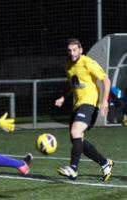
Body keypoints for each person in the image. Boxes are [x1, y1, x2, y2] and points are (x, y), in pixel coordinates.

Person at [54, 39, 113, 181]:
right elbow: (71, 84)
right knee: (77, 140)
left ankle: (73, 169)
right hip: (78, 106)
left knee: (76, 132)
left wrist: (104, 100)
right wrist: (63, 97)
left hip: (90, 104)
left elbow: (106, 80)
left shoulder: (88, 62)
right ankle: (105, 163)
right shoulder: (68, 65)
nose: (72, 53)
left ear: (81, 49)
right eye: (69, 50)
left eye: (75, 50)